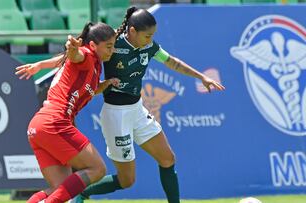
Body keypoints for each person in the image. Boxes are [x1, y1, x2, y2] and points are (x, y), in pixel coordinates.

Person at [25, 7, 225, 203]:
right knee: (118, 177)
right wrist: (54, 59)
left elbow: (172, 62)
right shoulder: (105, 48)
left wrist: (201, 77)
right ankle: (82, 193)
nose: (151, 40)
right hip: (112, 115)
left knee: (167, 159)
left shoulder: (146, 48)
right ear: (132, 31)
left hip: (137, 110)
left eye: (153, 35)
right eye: (147, 35)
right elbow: (76, 57)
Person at [15, 22, 119, 203]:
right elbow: (75, 55)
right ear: (93, 45)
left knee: (60, 188)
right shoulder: (86, 55)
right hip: (55, 123)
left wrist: (106, 84)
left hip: (39, 126)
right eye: (109, 46)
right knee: (98, 169)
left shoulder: (95, 66)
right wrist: (72, 48)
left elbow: (88, 88)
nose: (112, 51)